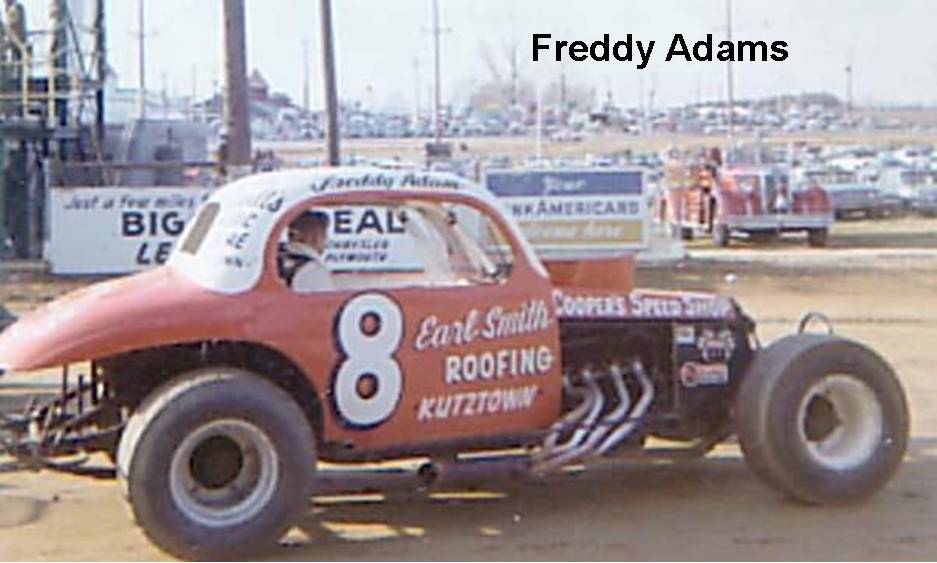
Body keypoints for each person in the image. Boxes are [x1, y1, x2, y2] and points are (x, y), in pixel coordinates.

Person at [282, 210, 332, 292]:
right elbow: (327, 303)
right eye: (323, 234)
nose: (326, 238)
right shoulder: (314, 271)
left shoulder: (279, 260)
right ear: (314, 236)